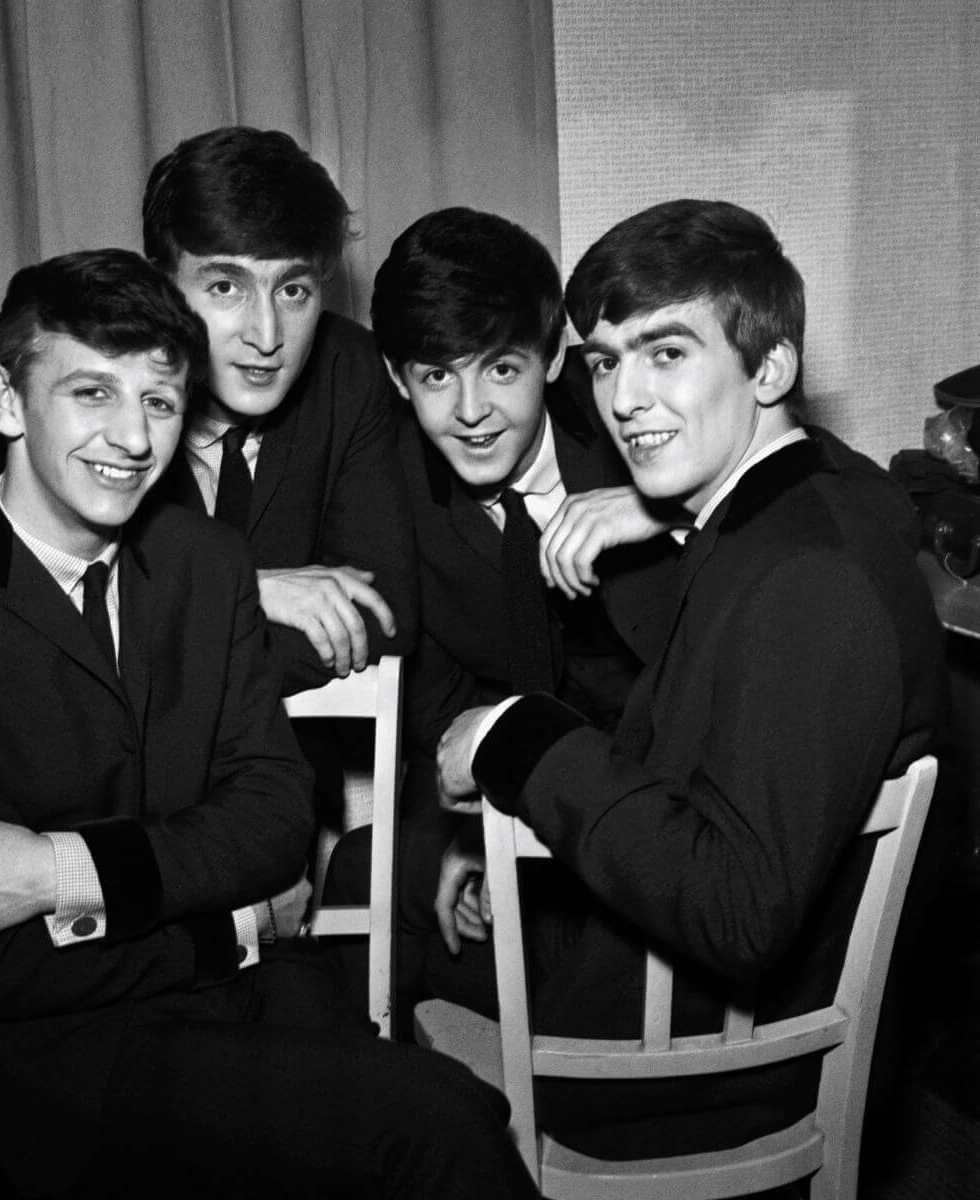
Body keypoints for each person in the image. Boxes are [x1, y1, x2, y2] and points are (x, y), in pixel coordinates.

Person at [0, 250, 536, 1200]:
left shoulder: (206, 562)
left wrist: (50, 871)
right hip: (78, 1059)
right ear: (5, 400)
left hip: (255, 995)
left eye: (158, 403)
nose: (130, 437)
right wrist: (233, 922)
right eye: (91, 393)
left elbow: (275, 819)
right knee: (433, 1127)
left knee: (451, 1111)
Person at [431, 199, 947, 1158]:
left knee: (371, 998)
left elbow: (737, 911)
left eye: (666, 354)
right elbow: (864, 485)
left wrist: (517, 736)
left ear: (772, 368)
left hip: (695, 1071)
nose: (623, 399)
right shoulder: (819, 513)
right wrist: (659, 512)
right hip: (703, 1011)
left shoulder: (809, 585)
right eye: (603, 361)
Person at [324, 206, 677, 1028]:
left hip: (651, 821)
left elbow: (816, 485)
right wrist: (465, 838)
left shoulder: (644, 438)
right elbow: (433, 695)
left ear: (555, 356)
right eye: (439, 376)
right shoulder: (393, 495)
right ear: (396, 375)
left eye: (502, 370)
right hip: (510, 818)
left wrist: (662, 508)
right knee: (365, 875)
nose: (473, 411)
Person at [142, 125, 417, 694]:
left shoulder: (351, 371)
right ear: (162, 287)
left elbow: (382, 614)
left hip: (284, 772)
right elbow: (56, 616)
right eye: (225, 287)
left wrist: (169, 632)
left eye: (292, 290)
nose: (267, 336)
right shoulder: (89, 377)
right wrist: (241, 589)